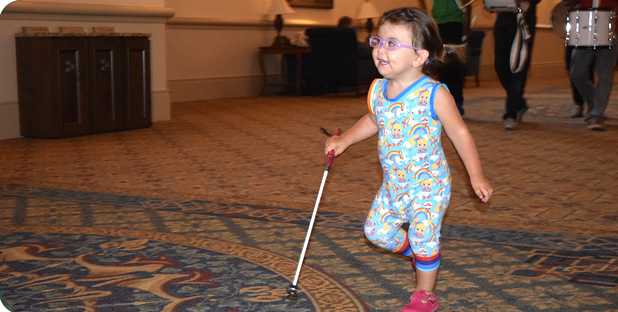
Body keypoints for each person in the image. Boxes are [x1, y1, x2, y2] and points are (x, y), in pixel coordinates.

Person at [324, 7, 492, 312]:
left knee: (425, 234)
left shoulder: (434, 94)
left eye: (392, 44)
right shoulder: (377, 90)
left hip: (429, 185)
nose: (380, 50)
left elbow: (460, 134)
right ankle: (421, 253)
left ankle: (423, 295)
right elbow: (375, 120)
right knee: (376, 232)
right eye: (378, 41)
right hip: (393, 185)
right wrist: (345, 139)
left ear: (419, 57)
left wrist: (476, 175)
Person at [567, 0, 618, 130]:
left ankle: (596, 115)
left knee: (604, 75)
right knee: (576, 74)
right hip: (584, 32)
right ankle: (595, 104)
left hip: (610, 31)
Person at [494, 0, 541, 130]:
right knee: (500, 67)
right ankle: (519, 103)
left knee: (518, 68)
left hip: (524, 19)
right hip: (503, 19)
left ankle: (511, 115)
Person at [431, 0, 467, 115]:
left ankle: (457, 102)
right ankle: (444, 103)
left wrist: (468, 24)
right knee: (441, 63)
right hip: (437, 20)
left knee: (453, 64)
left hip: (455, 20)